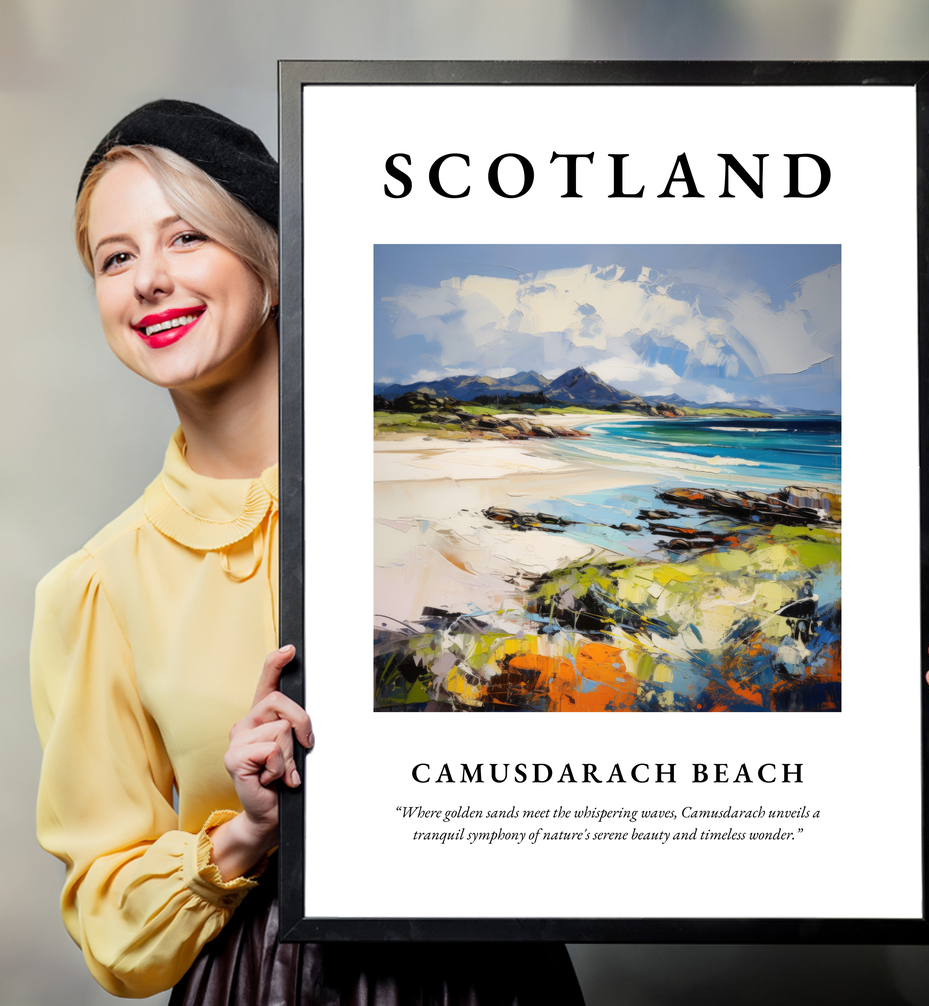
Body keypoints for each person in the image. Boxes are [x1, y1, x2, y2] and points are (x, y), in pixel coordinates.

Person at [30, 100, 585, 1004]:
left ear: (273, 264)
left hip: (492, 973)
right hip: (262, 981)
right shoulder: (97, 586)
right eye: (116, 257)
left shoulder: (453, 497)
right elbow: (110, 924)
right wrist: (245, 832)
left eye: (186, 239)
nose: (148, 281)